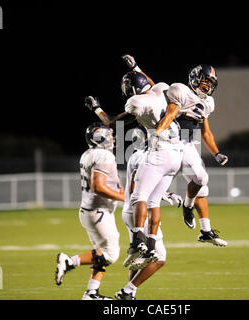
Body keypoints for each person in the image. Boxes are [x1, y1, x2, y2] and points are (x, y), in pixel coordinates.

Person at [122, 54, 228, 247]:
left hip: (187, 145)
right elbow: (154, 89)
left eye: (210, 83)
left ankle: (198, 221)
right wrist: (137, 69)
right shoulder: (180, 90)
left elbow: (206, 131)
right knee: (152, 189)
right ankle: (146, 236)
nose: (207, 87)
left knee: (202, 182)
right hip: (169, 143)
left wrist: (216, 153)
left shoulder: (208, 103)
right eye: (204, 82)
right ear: (195, 79)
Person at [85, 68, 184, 271]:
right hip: (177, 152)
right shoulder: (162, 90)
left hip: (160, 151)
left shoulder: (137, 105)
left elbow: (112, 122)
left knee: (140, 197)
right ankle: (149, 246)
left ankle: (138, 241)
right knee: (153, 201)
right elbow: (151, 85)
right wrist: (137, 68)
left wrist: (96, 108)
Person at [55, 122, 125, 300]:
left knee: (100, 253)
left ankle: (91, 293)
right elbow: (98, 187)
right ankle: (69, 262)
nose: (112, 138)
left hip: (91, 211)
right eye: (108, 135)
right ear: (98, 137)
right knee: (110, 254)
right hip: (98, 211)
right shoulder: (104, 156)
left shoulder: (88, 154)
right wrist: (124, 197)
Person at [115, 125, 182, 300]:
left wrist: (166, 194)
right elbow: (138, 188)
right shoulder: (146, 156)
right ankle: (128, 290)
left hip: (130, 211)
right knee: (159, 258)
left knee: (139, 258)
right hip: (139, 214)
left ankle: (130, 294)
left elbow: (145, 183)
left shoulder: (136, 155)